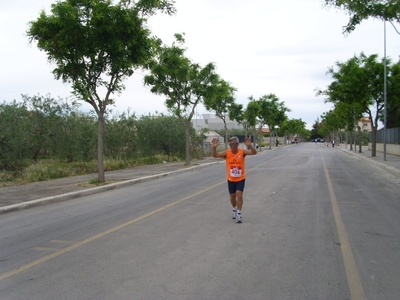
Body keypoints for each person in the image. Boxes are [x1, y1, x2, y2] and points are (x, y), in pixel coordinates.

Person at [212, 136, 257, 223]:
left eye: (236, 144)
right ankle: (234, 209)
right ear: (229, 145)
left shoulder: (242, 152)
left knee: (239, 194)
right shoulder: (227, 153)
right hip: (231, 179)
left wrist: (250, 146)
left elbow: (254, 152)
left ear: (238, 144)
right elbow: (215, 155)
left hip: (240, 178)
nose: (234, 146)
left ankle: (239, 214)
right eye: (232, 144)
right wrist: (214, 148)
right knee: (232, 196)